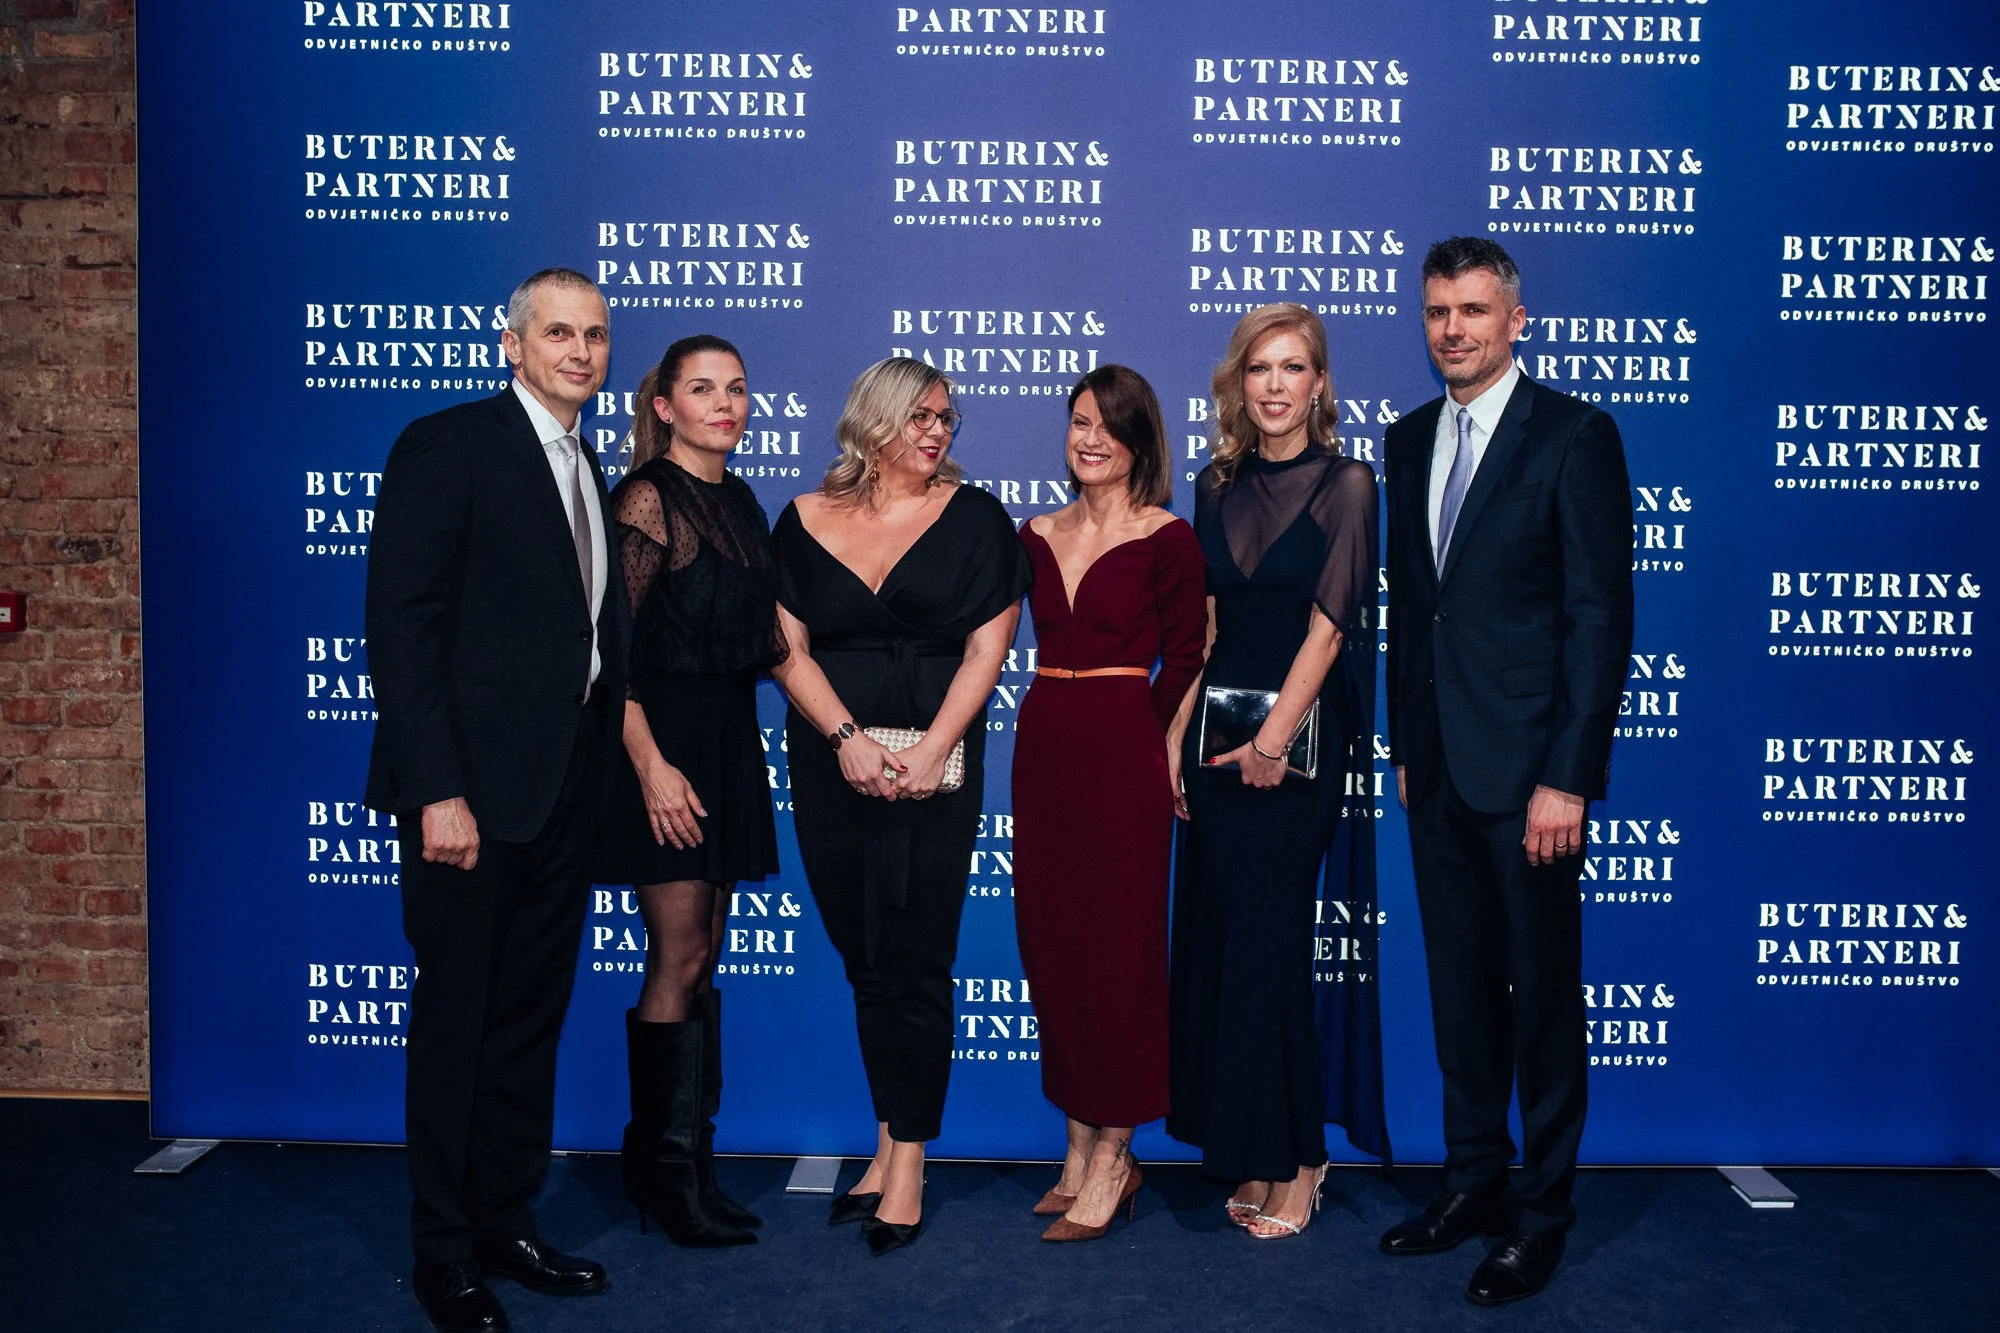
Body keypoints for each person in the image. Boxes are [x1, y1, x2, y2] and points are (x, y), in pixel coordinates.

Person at [365, 267, 620, 1333]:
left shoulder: (586, 461)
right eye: (557, 333)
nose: (579, 351)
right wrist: (439, 791)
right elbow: (402, 627)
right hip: (467, 801)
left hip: (561, 797)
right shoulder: (450, 443)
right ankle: (443, 1254)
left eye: (595, 335)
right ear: (510, 343)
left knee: (527, 1020)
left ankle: (504, 1220)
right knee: (458, 1024)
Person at [1380, 237, 1633, 1305]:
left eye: (1474, 310)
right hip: (1438, 769)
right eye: (1438, 310)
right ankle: (1471, 1182)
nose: (1453, 328)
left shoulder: (1573, 434)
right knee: (1459, 997)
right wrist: (1404, 746)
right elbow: (1413, 613)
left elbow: (1596, 618)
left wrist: (1566, 777)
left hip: (1530, 777)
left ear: (1514, 320)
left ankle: (1539, 1215)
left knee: (1540, 1007)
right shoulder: (1405, 440)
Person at [769, 357, 1031, 1256]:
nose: (938, 432)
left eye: (948, 419)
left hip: (932, 772)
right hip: (832, 765)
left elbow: (985, 653)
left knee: (917, 957)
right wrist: (847, 739)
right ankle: (885, 1143)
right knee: (864, 957)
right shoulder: (803, 519)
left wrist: (930, 749)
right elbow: (785, 647)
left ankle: (909, 1163)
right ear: (873, 419)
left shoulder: (975, 519)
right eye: (920, 416)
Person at [1168, 303, 1382, 1241]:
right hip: (1214, 741)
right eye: (1260, 368)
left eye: (1294, 368)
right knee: (1225, 945)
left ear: (1320, 384)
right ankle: (1251, 1144)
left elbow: (1330, 629)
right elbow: (1209, 627)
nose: (1276, 385)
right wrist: (1175, 735)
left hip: (1296, 748)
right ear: (1238, 382)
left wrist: (1274, 741)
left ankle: (1300, 1158)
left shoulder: (1348, 484)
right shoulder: (1216, 484)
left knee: (1272, 944)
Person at [594, 334, 783, 1248]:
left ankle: (689, 1163)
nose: (725, 403)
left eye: (737, 389)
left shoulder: (741, 501)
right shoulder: (644, 499)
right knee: (675, 954)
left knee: (703, 951)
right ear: (663, 405)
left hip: (726, 744)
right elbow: (611, 658)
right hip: (661, 746)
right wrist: (650, 765)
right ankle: (663, 1178)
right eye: (702, 389)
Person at [1012, 365, 1207, 1242]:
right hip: (1044, 744)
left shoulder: (1168, 537)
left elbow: (1189, 653)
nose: (1090, 438)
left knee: (1120, 952)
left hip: (1123, 752)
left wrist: (1156, 742)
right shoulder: (1034, 532)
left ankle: (1117, 1154)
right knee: (1055, 947)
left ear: (1139, 442)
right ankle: (1078, 1137)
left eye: (1109, 426)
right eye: (1079, 421)